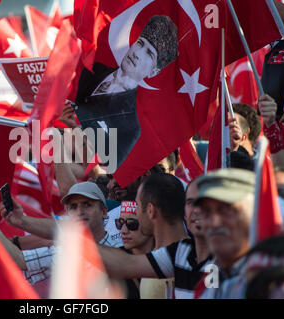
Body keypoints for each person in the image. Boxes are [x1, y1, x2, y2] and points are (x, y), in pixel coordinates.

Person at [0, 182, 125, 298]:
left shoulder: (124, 250)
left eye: (87, 205)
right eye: (73, 207)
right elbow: (20, 260)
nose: (80, 212)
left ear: (104, 212)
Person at [74, 15, 179, 170]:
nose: (137, 53)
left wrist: (75, 126)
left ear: (154, 71)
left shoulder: (135, 122)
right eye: (140, 43)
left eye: (149, 53)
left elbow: (111, 164)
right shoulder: (92, 70)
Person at [96, 173, 211, 299]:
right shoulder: (176, 254)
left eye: (138, 206)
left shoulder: (215, 261)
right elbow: (126, 264)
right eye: (190, 203)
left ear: (150, 210)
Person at [193, 168, 258, 298]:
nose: (214, 222)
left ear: (256, 211)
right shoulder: (211, 278)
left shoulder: (272, 282)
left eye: (226, 210)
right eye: (206, 212)